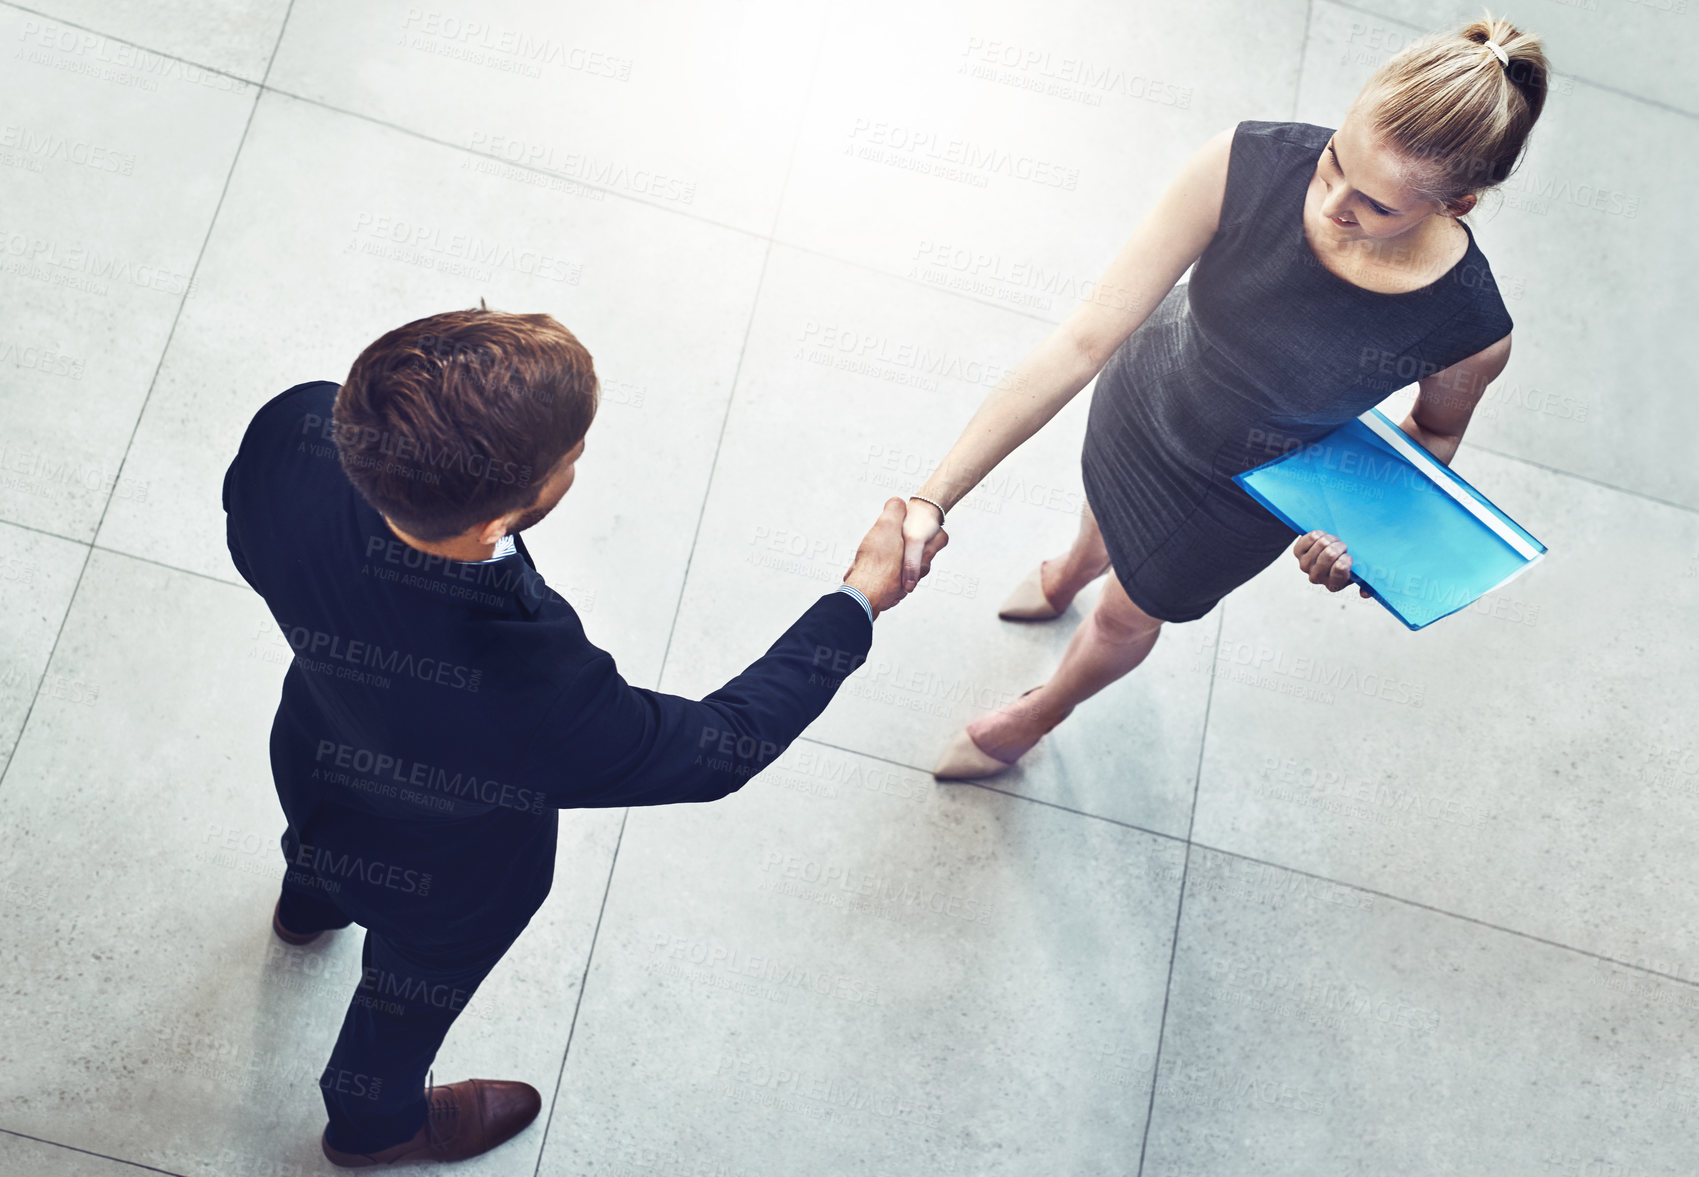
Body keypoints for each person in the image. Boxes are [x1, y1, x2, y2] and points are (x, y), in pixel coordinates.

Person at [220, 307, 946, 1165]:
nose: (578, 459)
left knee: (317, 845)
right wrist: (856, 599)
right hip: (442, 878)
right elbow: (721, 746)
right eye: (571, 458)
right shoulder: (532, 687)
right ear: (498, 522)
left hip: (314, 743)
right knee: (408, 993)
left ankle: (307, 908)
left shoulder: (294, 428)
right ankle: (371, 1122)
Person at [897, 16, 1547, 779]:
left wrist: (1354, 539)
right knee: (1100, 515)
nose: (1329, 202)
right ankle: (1070, 568)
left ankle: (1034, 717)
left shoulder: (1470, 327)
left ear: (1457, 204)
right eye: (1332, 161)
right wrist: (934, 497)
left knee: (1125, 613)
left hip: (1229, 506)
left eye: (1373, 206)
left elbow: (1431, 436)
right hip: (1143, 401)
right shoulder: (1245, 161)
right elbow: (1082, 340)